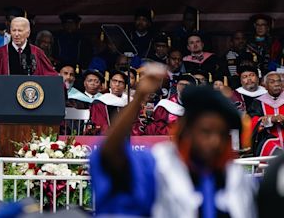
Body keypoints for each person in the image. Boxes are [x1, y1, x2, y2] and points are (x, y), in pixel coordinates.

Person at [90, 64, 256, 216]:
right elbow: (109, 153)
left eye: (221, 134)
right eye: (206, 132)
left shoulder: (234, 177)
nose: (215, 141)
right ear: (187, 130)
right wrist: (139, 96)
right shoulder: (160, 164)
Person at [0, 17, 57, 107]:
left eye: (20, 30)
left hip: (32, 103)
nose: (16, 34)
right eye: (14, 30)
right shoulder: (1, 53)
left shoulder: (37, 53)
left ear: (28, 33)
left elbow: (51, 77)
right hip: (5, 103)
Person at [248, 72, 284, 156]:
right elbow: (252, 122)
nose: (277, 84)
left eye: (279, 81)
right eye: (272, 82)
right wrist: (270, 120)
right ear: (265, 86)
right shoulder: (258, 103)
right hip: (268, 140)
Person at [88, 70, 128, 134]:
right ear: (110, 83)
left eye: (121, 82)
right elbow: (100, 123)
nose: (117, 84)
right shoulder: (100, 102)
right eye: (114, 81)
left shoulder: (130, 101)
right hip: (107, 137)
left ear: (125, 86)